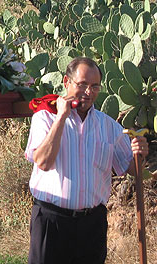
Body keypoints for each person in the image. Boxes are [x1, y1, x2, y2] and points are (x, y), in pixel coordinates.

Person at [25, 57, 149, 264]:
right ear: (66, 82)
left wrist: (140, 154)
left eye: (94, 86)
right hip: (51, 220)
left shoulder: (109, 126)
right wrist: (61, 118)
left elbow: (132, 170)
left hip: (92, 224)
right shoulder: (45, 118)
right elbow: (43, 162)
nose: (88, 92)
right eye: (82, 84)